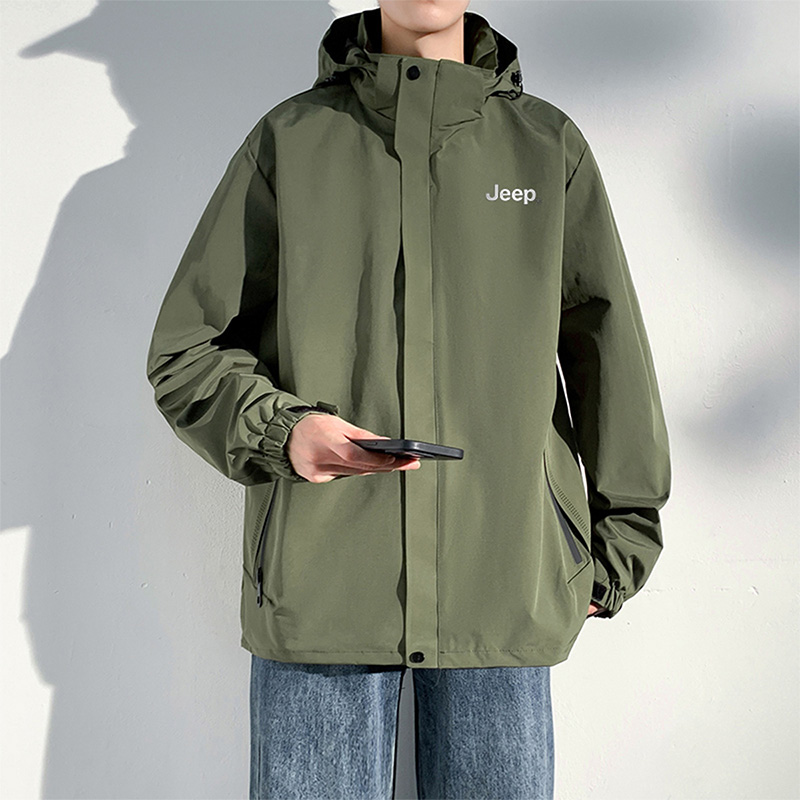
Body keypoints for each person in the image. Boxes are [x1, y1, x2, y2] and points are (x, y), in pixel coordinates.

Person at [146, 0, 672, 797]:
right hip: (320, 588)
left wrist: (614, 552)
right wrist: (284, 432)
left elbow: (608, 351)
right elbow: (186, 351)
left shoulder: (546, 148)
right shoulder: (290, 141)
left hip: (505, 584)